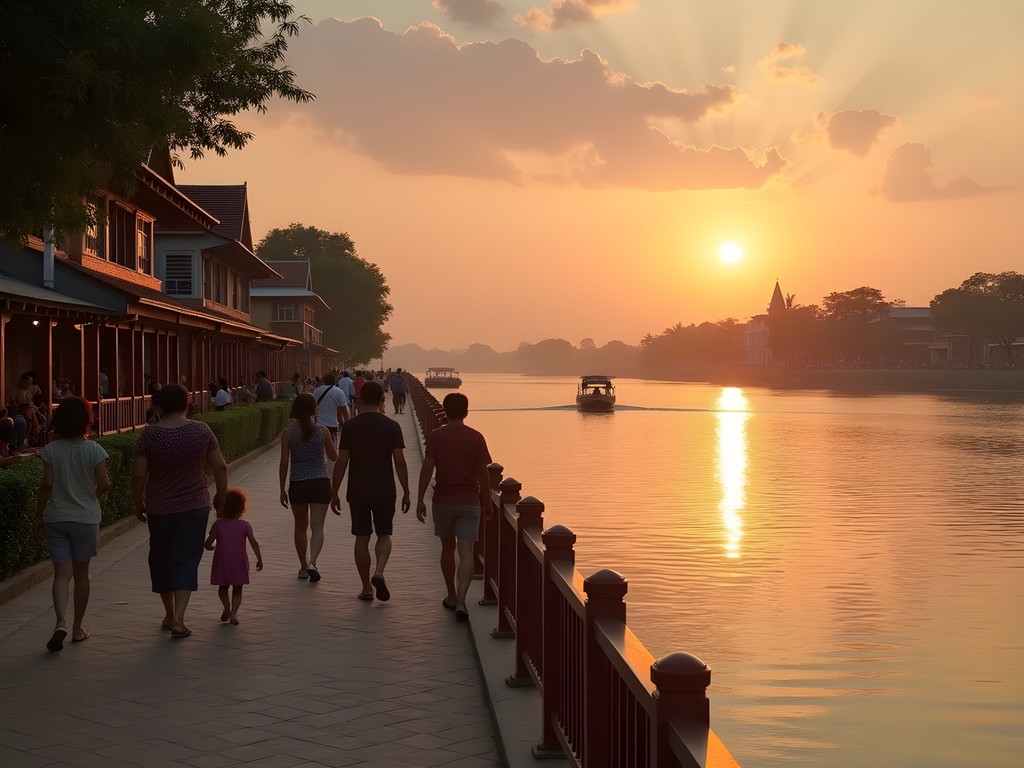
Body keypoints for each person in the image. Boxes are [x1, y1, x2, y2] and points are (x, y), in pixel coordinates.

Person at [132, 383, 228, 638]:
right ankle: (179, 619)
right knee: (186, 559)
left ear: (160, 405)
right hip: (195, 504)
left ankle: (169, 613)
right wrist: (221, 495)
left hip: (159, 506)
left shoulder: (149, 435)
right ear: (187, 403)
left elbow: (139, 474)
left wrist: (138, 502)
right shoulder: (201, 430)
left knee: (161, 558)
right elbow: (220, 467)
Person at [35, 397, 111, 650]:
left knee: (61, 575)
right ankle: (77, 628)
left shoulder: (51, 450)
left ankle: (60, 622)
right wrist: (91, 498)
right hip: (85, 519)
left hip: (57, 517)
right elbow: (105, 483)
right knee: (81, 575)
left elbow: (47, 484)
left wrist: (39, 514)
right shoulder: (94, 450)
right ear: (86, 420)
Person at [415, 392, 492, 622]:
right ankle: (461, 601)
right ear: (466, 412)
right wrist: (487, 500)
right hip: (469, 501)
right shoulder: (476, 437)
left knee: (447, 549)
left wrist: (420, 499)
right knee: (466, 552)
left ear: (446, 411)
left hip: (443, 501)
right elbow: (483, 472)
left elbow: (427, 468)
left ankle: (450, 594)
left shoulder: (436, 436)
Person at [330, 381, 410, 601]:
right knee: (384, 533)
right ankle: (379, 571)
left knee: (361, 537)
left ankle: (366, 587)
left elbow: (341, 462)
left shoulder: (350, 426)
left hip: (357, 489)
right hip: (385, 489)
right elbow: (400, 461)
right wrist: (407, 490)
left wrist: (334, 492)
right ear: (382, 399)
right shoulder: (392, 426)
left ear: (360, 399)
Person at [279, 393, 338, 582]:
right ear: (314, 409)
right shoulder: (322, 431)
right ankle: (313, 562)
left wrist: (282, 489)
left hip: (298, 484)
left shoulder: (288, 433)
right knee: (317, 527)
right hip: (320, 483)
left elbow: (284, 463)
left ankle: (303, 567)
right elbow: (334, 456)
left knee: (300, 527)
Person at [204, 488, 263, 625]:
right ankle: (234, 614)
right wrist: (259, 559)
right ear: (241, 508)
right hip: (239, 561)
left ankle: (227, 608)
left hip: (222, 561)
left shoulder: (218, 525)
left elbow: (207, 543)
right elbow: (254, 542)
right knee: (238, 588)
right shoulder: (245, 525)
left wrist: (212, 547)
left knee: (223, 587)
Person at [312, 372, 349, 446]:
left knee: (320, 448)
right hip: (332, 425)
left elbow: (314, 408)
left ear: (324, 380)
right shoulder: (339, 392)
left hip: (319, 425)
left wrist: (315, 421)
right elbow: (344, 412)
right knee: (332, 449)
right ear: (335, 381)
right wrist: (347, 426)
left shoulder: (316, 391)